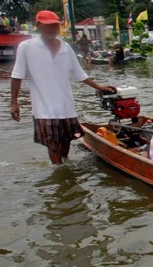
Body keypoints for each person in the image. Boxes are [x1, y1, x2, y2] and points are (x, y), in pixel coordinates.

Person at [10, 10, 117, 165]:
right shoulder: (26, 47)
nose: (53, 29)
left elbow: (80, 74)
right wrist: (14, 102)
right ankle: (59, 171)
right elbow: (17, 75)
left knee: (67, 139)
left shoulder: (65, 47)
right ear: (38, 25)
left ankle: (65, 166)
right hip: (44, 108)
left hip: (66, 106)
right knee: (52, 142)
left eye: (55, 26)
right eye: (49, 26)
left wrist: (100, 87)